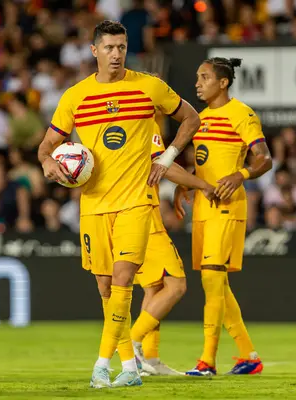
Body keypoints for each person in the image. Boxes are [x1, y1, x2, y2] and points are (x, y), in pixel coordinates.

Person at [37, 20, 200, 389]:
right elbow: (46, 146)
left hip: (136, 203)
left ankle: (100, 365)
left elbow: (191, 117)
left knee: (125, 280)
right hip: (93, 206)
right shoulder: (75, 96)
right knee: (107, 290)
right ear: (94, 51)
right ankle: (129, 365)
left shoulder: (149, 86)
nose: (116, 53)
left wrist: (168, 156)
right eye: (109, 47)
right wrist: (48, 163)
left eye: (122, 47)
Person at [173, 57, 272, 376]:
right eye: (197, 77)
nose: (198, 83)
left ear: (223, 82)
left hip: (228, 206)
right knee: (216, 284)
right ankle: (249, 356)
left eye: (204, 77)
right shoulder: (200, 118)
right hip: (203, 207)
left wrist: (241, 174)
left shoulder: (242, 114)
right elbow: (206, 163)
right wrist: (184, 184)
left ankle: (207, 360)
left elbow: (264, 159)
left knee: (212, 279)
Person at [130, 124, 219, 376]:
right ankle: (132, 342)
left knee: (154, 287)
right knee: (176, 285)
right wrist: (201, 184)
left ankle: (150, 358)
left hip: (128, 218)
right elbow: (164, 166)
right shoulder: (144, 124)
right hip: (145, 216)